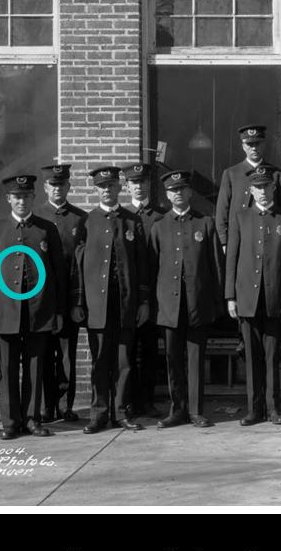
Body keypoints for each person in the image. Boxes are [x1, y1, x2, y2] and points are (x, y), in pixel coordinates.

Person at [0, 174, 68, 440]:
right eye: (16, 197)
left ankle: (32, 419)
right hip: (6, 312)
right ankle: (10, 422)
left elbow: (58, 272)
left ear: (33, 198)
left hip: (38, 311)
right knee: (7, 369)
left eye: (26, 196)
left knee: (35, 367)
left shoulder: (46, 229)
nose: (21, 201)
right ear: (8, 199)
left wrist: (59, 310)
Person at [75, 166, 151, 434]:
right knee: (99, 362)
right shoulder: (86, 222)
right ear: (96, 190)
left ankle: (121, 412)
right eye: (102, 187)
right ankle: (98, 414)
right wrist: (79, 302)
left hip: (126, 303)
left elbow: (143, 264)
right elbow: (79, 267)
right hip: (97, 305)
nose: (107, 190)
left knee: (123, 361)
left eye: (111, 186)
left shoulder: (132, 221)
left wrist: (142, 301)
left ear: (120, 188)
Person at [226, 166, 281, 425]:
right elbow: (232, 258)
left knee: (272, 355)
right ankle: (253, 409)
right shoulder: (240, 217)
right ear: (251, 190)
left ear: (273, 188)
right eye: (257, 187)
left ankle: (273, 409)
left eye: (266, 187)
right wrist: (230, 297)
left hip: (274, 299)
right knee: (251, 355)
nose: (261, 191)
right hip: (247, 298)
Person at [150, 170, 223, 430]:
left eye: (182, 189)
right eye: (173, 190)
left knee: (195, 359)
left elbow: (216, 267)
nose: (177, 194)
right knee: (172, 359)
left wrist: (218, 302)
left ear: (190, 192)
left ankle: (196, 411)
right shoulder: (159, 227)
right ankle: (177, 410)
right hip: (169, 307)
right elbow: (152, 269)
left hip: (197, 304)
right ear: (166, 195)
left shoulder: (205, 223)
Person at [36, 163, 86, 422]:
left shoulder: (79, 219)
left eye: (62, 184)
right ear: (45, 187)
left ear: (69, 186)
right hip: (42, 299)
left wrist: (78, 300)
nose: (57, 189)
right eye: (52, 185)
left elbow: (83, 264)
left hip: (68, 298)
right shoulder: (36, 218)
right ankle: (46, 406)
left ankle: (66, 405)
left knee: (67, 354)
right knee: (44, 354)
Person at [124, 161, 165, 418]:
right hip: (128, 297)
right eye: (134, 183)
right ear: (127, 186)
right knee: (126, 352)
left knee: (149, 352)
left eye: (143, 182)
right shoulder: (122, 216)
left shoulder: (160, 217)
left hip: (153, 295)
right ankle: (127, 401)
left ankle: (147, 401)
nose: (139, 187)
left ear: (150, 184)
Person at [216, 124, 281, 248]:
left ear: (264, 144)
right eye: (250, 144)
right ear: (243, 146)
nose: (254, 148)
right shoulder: (232, 174)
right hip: (239, 238)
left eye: (257, 144)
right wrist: (224, 241)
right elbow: (223, 209)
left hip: (269, 236)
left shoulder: (276, 174)